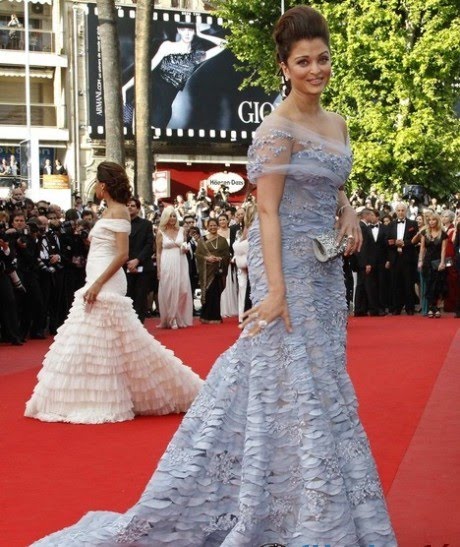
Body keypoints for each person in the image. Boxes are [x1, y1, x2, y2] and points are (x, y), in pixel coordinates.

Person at [29, 7, 396, 545]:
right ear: (284, 66)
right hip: (286, 270)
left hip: (324, 272)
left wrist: (345, 210)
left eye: (323, 59)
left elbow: (330, 178)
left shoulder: (336, 123)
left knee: (319, 384)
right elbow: (267, 211)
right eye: (303, 62)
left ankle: (299, 505)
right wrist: (274, 292)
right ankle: (300, 514)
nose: (316, 69)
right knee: (291, 383)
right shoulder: (276, 129)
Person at [25, 162, 202, 424]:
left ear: (104, 185)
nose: (96, 187)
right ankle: (85, 398)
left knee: (108, 341)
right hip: (95, 278)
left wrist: (97, 284)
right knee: (98, 342)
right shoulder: (110, 210)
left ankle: (178, 390)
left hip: (106, 283)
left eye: (97, 182)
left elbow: (122, 254)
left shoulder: (119, 211)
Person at [122, 19, 226, 128]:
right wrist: (125, 87)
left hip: (164, 108)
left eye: (190, 30)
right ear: (179, 30)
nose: (186, 33)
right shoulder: (168, 46)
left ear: (194, 31)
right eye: (183, 29)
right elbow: (146, 69)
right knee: (136, 133)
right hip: (149, 95)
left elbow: (224, 44)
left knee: (151, 139)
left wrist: (202, 34)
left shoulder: (196, 57)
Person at [156, 205, 193, 329]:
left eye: (174, 216)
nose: (172, 218)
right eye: (170, 216)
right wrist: (158, 269)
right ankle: (172, 319)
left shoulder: (182, 230)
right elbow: (158, 251)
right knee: (169, 290)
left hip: (181, 261)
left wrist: (185, 248)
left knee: (183, 290)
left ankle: (180, 316)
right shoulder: (160, 232)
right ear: (165, 217)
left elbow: (185, 245)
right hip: (167, 261)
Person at [195, 217, 230, 324]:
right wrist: (206, 258)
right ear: (207, 227)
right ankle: (205, 316)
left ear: (217, 226)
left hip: (217, 271)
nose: (213, 227)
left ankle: (215, 317)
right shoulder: (202, 240)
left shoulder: (223, 240)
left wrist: (219, 259)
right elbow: (198, 254)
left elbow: (227, 256)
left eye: (215, 225)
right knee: (208, 293)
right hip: (206, 271)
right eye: (211, 225)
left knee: (215, 294)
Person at [126, 198, 155, 324]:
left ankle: (139, 325)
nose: (130, 207)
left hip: (142, 265)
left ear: (138, 209)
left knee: (141, 296)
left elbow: (149, 245)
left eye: (133, 206)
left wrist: (137, 260)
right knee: (127, 296)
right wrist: (127, 261)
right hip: (124, 265)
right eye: (127, 205)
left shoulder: (146, 224)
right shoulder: (121, 224)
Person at [418, 212, 448, 318]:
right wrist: (420, 261)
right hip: (427, 262)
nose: (431, 222)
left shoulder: (443, 234)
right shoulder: (424, 233)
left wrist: (442, 262)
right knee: (429, 284)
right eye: (429, 220)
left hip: (438, 262)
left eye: (433, 219)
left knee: (437, 284)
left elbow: (443, 250)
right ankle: (431, 307)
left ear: (437, 221)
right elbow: (422, 248)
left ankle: (436, 307)